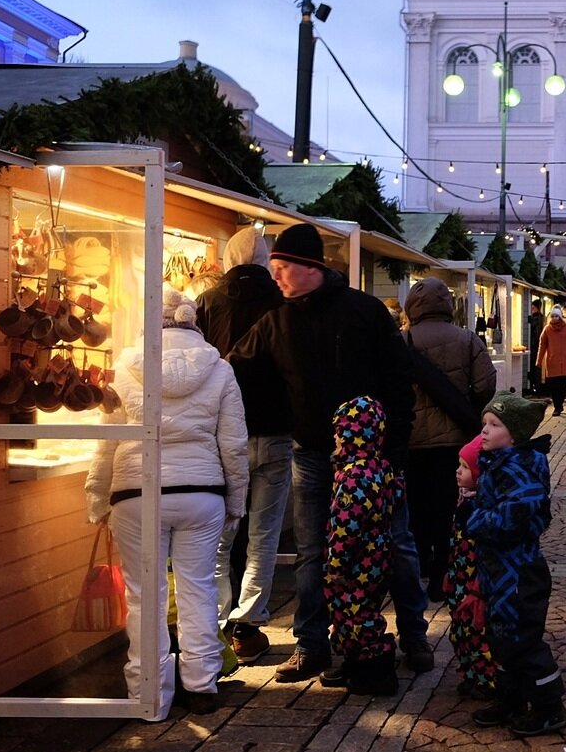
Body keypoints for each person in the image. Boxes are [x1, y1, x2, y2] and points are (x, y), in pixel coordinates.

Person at [228, 223, 433, 682]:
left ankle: (413, 634)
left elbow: (400, 381)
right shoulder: (275, 320)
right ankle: (312, 644)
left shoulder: (364, 311)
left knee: (396, 544)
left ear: (310, 268)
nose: (275, 276)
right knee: (312, 551)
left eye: (281, 268)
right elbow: (233, 369)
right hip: (313, 453)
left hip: (371, 457)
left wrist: (394, 447)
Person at [86, 286, 249, 717]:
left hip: (136, 494)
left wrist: (97, 496)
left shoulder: (124, 366)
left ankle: (150, 697)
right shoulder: (219, 369)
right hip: (201, 495)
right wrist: (237, 498)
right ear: (192, 321)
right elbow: (233, 444)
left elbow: (108, 441)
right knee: (198, 588)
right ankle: (201, 687)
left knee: (144, 595)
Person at [195, 227, 290, 665]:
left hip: (221, 433)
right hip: (274, 429)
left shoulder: (209, 302)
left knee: (220, 534)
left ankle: (214, 625)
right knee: (264, 535)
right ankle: (247, 624)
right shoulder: (284, 304)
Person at [467, 393, 566, 736]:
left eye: (495, 425)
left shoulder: (521, 467)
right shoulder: (498, 463)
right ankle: (510, 698)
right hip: (498, 573)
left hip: (520, 574)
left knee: (522, 641)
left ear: (515, 435)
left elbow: (514, 516)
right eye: (484, 423)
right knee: (501, 638)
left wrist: (474, 517)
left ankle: (548, 706)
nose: (485, 430)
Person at [403, 277, 497, 599]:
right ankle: (443, 576)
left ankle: (421, 568)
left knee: (416, 508)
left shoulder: (402, 341)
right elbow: (486, 384)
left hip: (412, 443)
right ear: (447, 305)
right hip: (454, 442)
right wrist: (466, 406)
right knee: (448, 508)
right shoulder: (467, 339)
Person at [321, 396, 401, 696]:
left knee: (357, 613)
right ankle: (356, 662)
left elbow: (346, 526)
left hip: (356, 562)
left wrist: (336, 563)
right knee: (357, 610)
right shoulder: (378, 467)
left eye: (338, 431)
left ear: (351, 435)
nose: (335, 437)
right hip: (377, 555)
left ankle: (377, 671)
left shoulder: (355, 477)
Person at [442, 435, 496, 701]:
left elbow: (484, 552)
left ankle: (486, 679)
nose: (457, 471)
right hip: (459, 580)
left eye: (464, 467)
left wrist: (476, 584)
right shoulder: (464, 502)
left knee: (478, 633)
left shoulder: (482, 509)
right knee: (461, 631)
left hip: (476, 587)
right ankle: (471, 674)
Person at [536, 308, 566, 417]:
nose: (554, 318)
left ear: (560, 317)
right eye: (552, 316)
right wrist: (539, 360)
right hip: (552, 361)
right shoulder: (547, 330)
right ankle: (557, 406)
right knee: (553, 386)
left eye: (556, 316)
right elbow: (542, 346)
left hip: (564, 361)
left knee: (561, 385)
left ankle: (559, 405)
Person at [526, 298, 545, 394]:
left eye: (533, 307)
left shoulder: (536, 319)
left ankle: (537, 387)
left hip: (535, 346)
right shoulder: (541, 318)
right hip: (535, 346)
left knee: (535, 368)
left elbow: (536, 334)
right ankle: (537, 387)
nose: (531, 309)